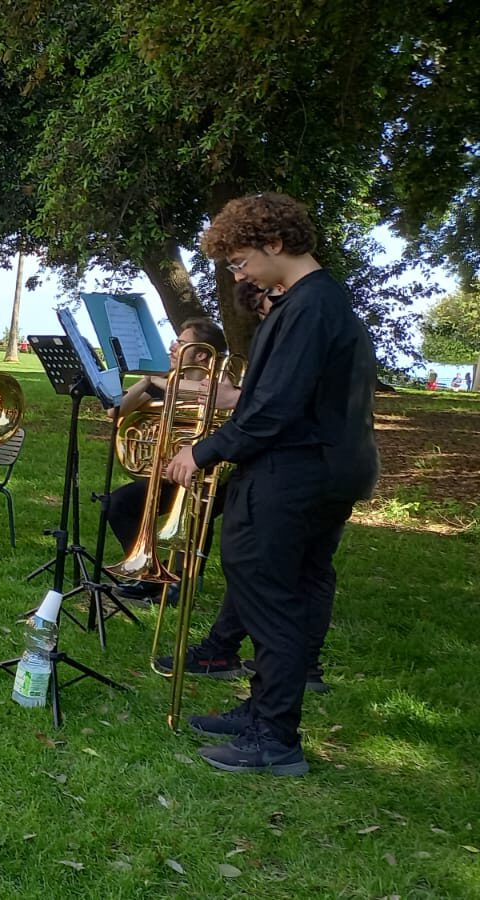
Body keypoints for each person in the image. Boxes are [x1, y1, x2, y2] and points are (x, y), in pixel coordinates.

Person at [164, 192, 379, 776]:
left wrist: (203, 451)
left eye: (239, 262)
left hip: (296, 471)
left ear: (275, 243)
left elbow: (273, 409)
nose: (239, 274)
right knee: (299, 588)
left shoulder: (309, 308)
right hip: (330, 467)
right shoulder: (319, 302)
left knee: (268, 595)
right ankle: (265, 708)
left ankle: (274, 737)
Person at [104, 317, 235, 602]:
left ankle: (185, 581)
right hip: (166, 475)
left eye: (181, 343)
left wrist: (163, 382)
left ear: (201, 353)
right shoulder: (162, 380)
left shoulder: (221, 381)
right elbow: (115, 414)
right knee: (118, 504)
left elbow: (208, 396)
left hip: (209, 476)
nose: (173, 347)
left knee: (196, 512)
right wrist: (146, 380)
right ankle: (147, 570)